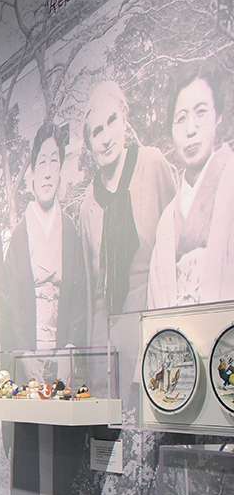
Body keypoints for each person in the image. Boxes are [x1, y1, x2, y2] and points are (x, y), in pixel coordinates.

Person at [79, 81, 176, 326]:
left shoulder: (152, 164)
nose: (106, 138)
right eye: (97, 131)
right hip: (106, 333)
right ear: (90, 145)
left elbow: (177, 252)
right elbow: (90, 291)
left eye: (112, 120)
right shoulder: (87, 206)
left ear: (124, 118)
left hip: (153, 319)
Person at [147, 67, 234, 308]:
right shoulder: (167, 221)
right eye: (181, 118)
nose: (190, 129)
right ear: (171, 131)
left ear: (218, 117)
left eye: (201, 113)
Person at [2, 122, 89, 351]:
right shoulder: (20, 235)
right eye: (42, 162)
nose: (48, 173)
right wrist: (24, 352)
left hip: (63, 348)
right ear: (32, 173)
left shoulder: (70, 231)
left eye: (54, 162)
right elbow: (10, 301)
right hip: (28, 349)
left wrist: (71, 344)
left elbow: (80, 295)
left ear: (60, 171)